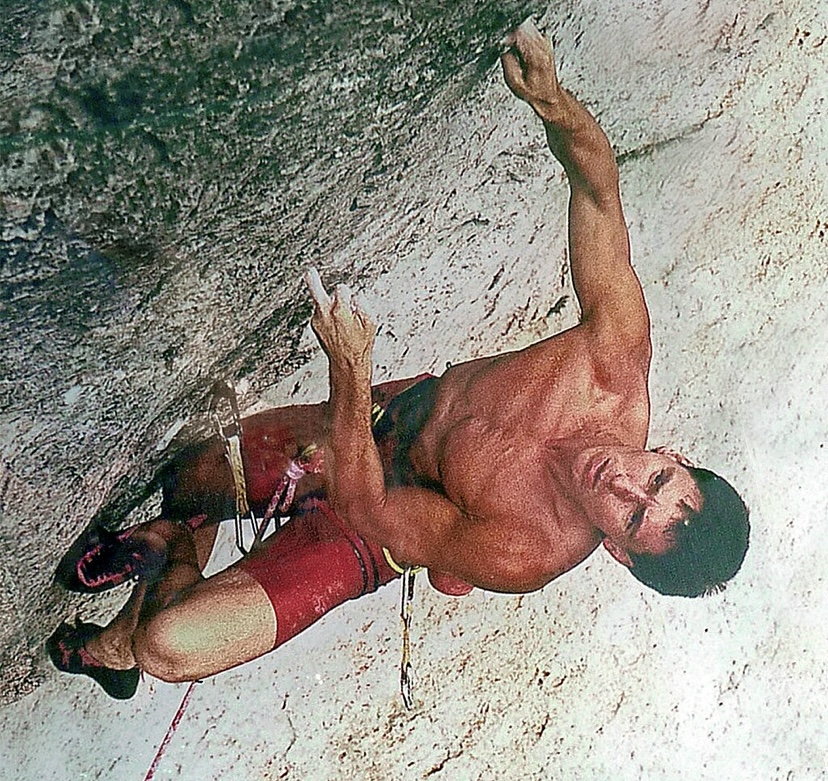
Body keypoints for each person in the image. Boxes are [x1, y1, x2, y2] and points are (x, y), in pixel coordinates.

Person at [47, 21, 749, 700]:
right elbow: (598, 193)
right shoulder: (611, 366)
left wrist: (348, 370)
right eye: (655, 478)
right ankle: (130, 616)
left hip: (368, 530)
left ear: (619, 553)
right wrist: (553, 102)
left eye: (630, 518)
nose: (623, 483)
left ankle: (144, 603)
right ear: (672, 454)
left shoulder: (526, 552)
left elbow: (369, 506)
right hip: (387, 422)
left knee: (170, 648)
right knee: (192, 476)